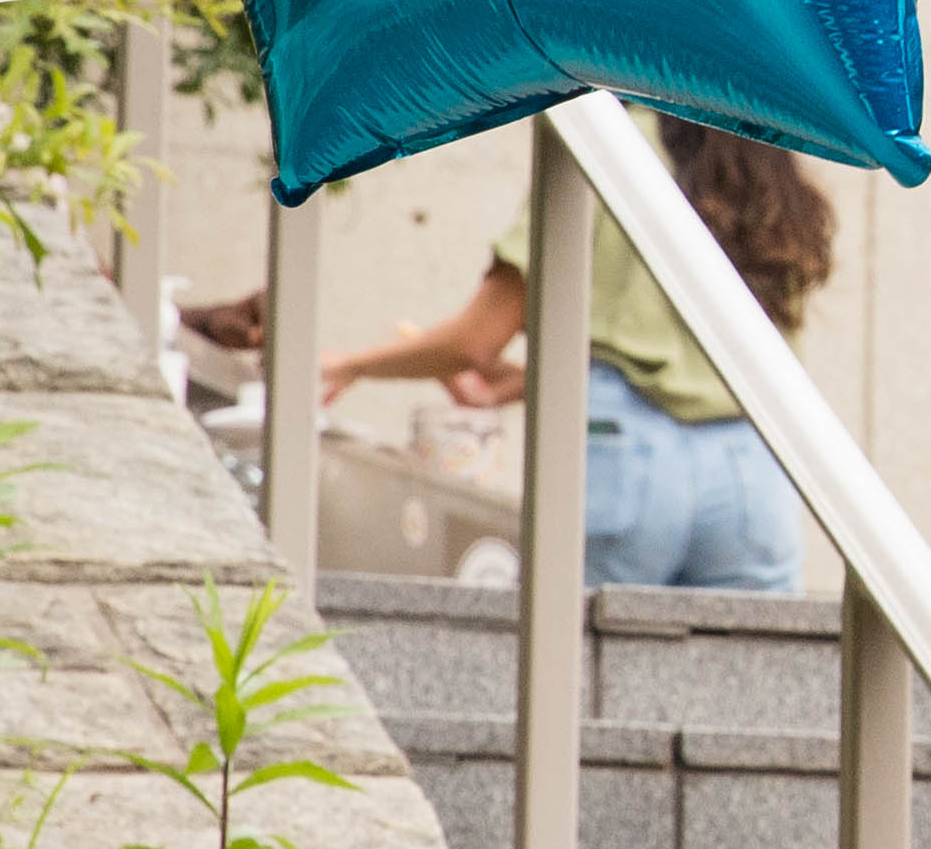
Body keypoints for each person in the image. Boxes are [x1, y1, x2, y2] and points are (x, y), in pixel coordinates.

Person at [319, 113, 830, 593]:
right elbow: (693, 352)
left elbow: (477, 340)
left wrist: (354, 366)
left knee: (571, 670)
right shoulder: (760, 158)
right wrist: (531, 381)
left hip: (625, 458)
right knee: (755, 672)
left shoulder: (604, 135)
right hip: (753, 467)